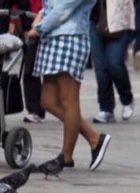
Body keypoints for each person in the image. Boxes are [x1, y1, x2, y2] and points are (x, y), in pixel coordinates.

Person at [27, 0, 111, 170]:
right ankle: (93, 138)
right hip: (51, 36)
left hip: (70, 36)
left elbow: (64, 7)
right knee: (47, 101)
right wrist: (41, 17)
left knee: (68, 99)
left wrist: (40, 27)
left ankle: (66, 156)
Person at [88, 0, 135, 124]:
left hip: (119, 20)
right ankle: (106, 109)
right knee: (100, 68)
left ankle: (127, 99)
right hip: (95, 19)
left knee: (114, 64)